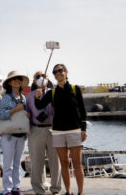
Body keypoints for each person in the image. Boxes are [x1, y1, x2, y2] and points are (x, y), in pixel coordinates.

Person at [35, 64, 87, 195]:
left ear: (66, 72)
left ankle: (81, 192)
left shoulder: (75, 89)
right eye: (55, 72)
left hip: (74, 129)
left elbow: (82, 110)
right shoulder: (52, 92)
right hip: (58, 131)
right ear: (53, 75)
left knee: (77, 164)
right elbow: (40, 106)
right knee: (64, 163)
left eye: (60, 70)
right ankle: (68, 192)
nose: (58, 73)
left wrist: (83, 129)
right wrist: (37, 95)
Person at [26, 71, 62, 195]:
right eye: (38, 76)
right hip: (36, 130)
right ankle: (38, 189)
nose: (41, 78)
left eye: (44, 76)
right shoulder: (29, 96)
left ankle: (56, 188)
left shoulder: (55, 93)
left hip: (54, 129)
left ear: (48, 78)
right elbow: (26, 113)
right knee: (36, 161)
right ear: (34, 80)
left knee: (56, 161)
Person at [0, 71, 30, 195]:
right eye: (14, 79)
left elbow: (25, 115)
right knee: (7, 164)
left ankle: (16, 187)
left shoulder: (24, 98)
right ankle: (7, 189)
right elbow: (1, 115)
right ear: (10, 82)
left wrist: (28, 114)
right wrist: (14, 110)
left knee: (16, 163)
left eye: (19, 79)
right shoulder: (6, 97)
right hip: (9, 136)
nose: (17, 80)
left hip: (22, 135)